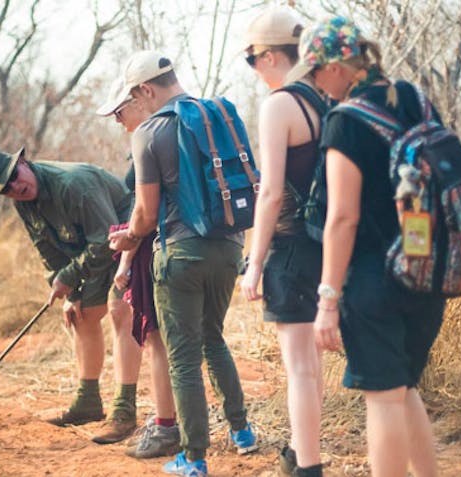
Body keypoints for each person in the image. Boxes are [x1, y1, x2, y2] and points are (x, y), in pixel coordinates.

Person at [287, 16, 446, 477]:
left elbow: (342, 217)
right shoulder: (412, 98)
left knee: (384, 400)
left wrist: (327, 300)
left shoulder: (346, 121)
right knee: (405, 388)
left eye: (316, 73)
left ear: (336, 67)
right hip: (425, 265)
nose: (317, 84)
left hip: (375, 280)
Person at [107, 51, 257, 477]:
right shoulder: (217, 116)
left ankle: (193, 459)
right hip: (230, 247)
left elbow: (145, 214)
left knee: (184, 358)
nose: (136, 105)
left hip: (181, 254)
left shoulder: (150, 132)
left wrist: (128, 238)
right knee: (214, 338)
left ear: (145, 90)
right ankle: (242, 431)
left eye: (135, 97)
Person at [0, 148, 143, 444]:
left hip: (126, 235)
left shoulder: (73, 184)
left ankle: (124, 411)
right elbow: (47, 250)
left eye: (14, 176)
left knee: (120, 310)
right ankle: (87, 402)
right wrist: (70, 291)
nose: (15, 187)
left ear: (24, 163)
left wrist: (69, 276)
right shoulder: (23, 203)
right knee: (80, 314)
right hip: (94, 247)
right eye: (6, 188)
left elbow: (106, 241)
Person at [239, 7, 325, 477]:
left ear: (271, 56)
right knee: (312, 363)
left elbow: (270, 192)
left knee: (300, 368)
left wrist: (254, 261)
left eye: (251, 59)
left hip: (290, 248)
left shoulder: (279, 105)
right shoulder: (326, 98)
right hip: (328, 244)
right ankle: (299, 450)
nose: (253, 69)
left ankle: (307, 465)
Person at [94, 79, 181, 459]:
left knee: (160, 340)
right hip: (182, 246)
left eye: (119, 112)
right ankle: (233, 426)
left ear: (140, 98)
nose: (118, 121)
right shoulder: (175, 128)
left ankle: (167, 427)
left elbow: (146, 210)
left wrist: (127, 256)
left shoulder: (151, 135)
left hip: (160, 247)